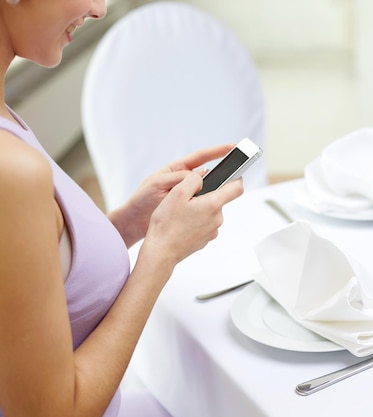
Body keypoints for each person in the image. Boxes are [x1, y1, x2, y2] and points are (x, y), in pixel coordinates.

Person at [0, 0, 244, 415]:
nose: (99, 8)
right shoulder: (12, 173)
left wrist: (129, 223)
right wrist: (161, 255)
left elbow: (29, 282)